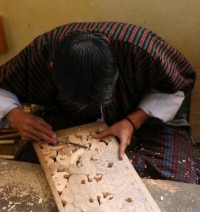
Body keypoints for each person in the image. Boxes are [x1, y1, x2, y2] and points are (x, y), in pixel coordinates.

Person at [0, 22, 199, 183]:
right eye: (78, 101)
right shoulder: (41, 52)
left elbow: (175, 88)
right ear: (52, 68)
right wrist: (15, 115)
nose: (84, 105)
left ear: (116, 72)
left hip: (145, 115)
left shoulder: (141, 48)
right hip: (72, 118)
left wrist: (132, 121)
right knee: (30, 168)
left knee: (175, 178)